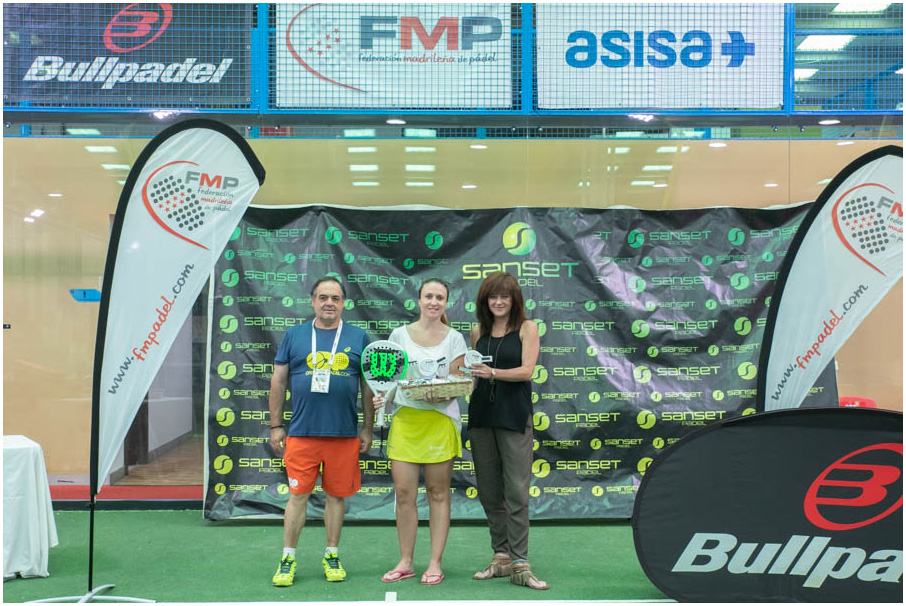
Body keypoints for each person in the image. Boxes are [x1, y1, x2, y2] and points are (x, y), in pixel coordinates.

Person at [268, 276, 375, 587]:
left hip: (343, 434)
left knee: (336, 497)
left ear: (344, 303)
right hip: (302, 433)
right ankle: (288, 557)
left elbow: (367, 387)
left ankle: (332, 554)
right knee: (297, 496)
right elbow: (278, 382)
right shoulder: (295, 335)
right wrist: (276, 425)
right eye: (323, 297)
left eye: (336, 298)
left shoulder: (359, 337)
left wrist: (367, 428)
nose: (330, 303)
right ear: (313, 301)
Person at [376, 278, 467, 586]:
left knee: (438, 493)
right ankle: (406, 562)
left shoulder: (455, 338)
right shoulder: (398, 335)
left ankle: (434, 563)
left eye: (439, 297)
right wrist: (382, 397)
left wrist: (439, 394)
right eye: (428, 296)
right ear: (419, 300)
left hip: (439, 422)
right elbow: (389, 380)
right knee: (404, 494)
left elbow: (458, 383)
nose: (433, 302)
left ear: (446, 303)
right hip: (406, 422)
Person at [467, 272, 548, 590]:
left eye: (504, 296)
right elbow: (473, 376)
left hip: (514, 417)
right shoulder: (478, 331)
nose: (498, 302)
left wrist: (493, 373)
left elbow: (527, 371)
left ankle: (520, 563)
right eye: (492, 296)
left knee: (516, 490)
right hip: (481, 418)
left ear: (515, 300)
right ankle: (501, 557)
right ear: (484, 301)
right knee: (489, 491)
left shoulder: (528, 328)